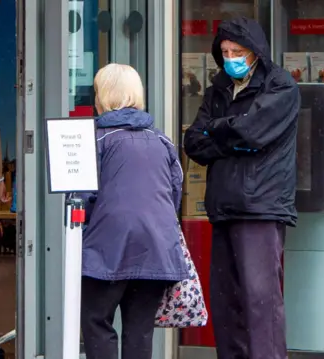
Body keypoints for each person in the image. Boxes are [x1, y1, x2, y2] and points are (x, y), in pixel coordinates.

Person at [183, 17, 300, 359]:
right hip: (223, 206)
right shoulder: (219, 87)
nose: (230, 56)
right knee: (227, 303)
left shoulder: (280, 86)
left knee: (259, 301)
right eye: (225, 51)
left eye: (237, 51)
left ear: (255, 52)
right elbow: (194, 142)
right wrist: (231, 136)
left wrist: (219, 131)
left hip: (260, 207)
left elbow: (253, 132)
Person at [80, 63, 189, 359]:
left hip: (106, 249)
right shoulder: (162, 140)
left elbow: (82, 198)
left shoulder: (96, 139)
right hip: (155, 246)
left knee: (96, 322)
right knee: (139, 330)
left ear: (102, 96)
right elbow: (175, 192)